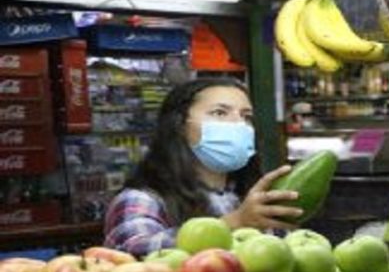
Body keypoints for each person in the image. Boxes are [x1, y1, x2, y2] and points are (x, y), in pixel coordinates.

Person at [104, 77, 302, 257]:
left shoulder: (251, 197)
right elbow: (131, 251)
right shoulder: (142, 199)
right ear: (180, 125)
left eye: (246, 116)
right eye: (219, 113)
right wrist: (234, 223)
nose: (238, 124)